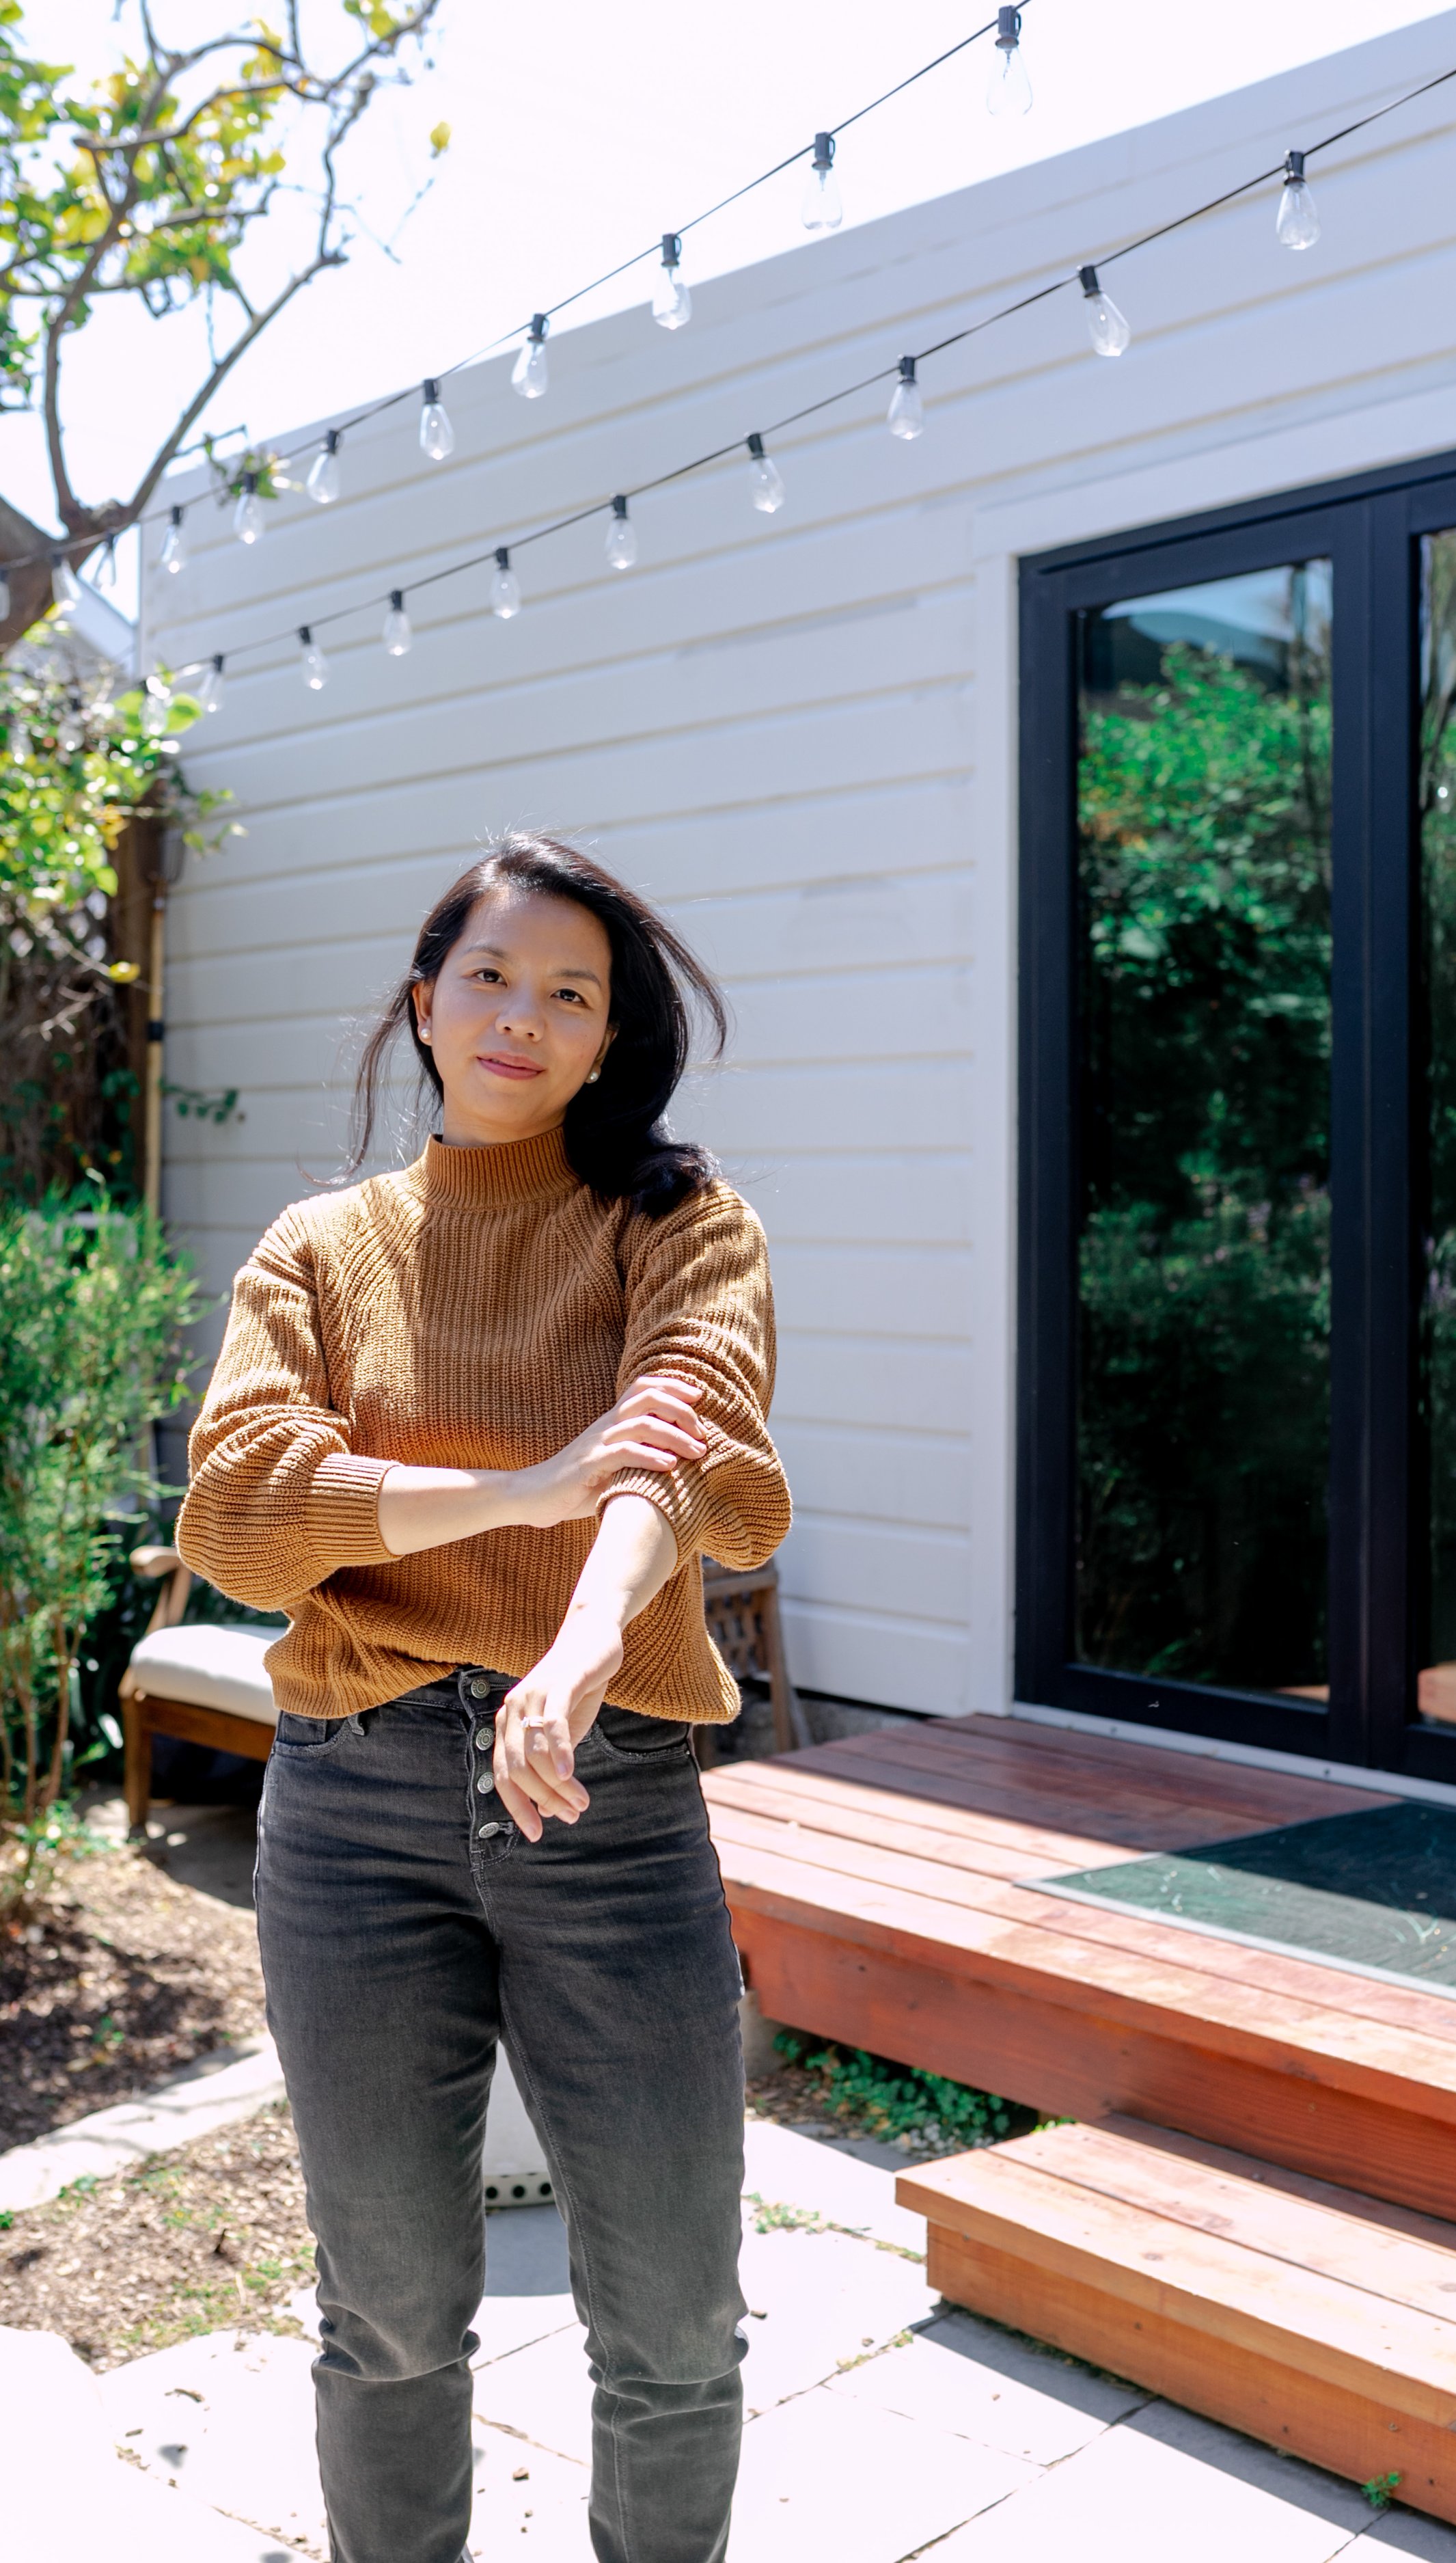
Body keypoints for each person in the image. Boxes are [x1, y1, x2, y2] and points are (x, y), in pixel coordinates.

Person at [176, 832, 791, 2563]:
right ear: (425, 1005)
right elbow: (239, 1513)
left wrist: (586, 1636)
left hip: (613, 1799)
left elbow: (682, 1433)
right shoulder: (317, 1251)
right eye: (492, 978)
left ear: (613, 1040)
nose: (525, 1016)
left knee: (673, 2324)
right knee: (385, 2313)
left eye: (571, 994)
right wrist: (527, 1487)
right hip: (353, 1813)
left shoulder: (677, 1222)